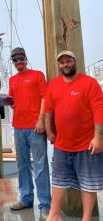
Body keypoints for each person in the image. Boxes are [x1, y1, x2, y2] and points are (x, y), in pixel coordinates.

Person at [45, 50, 103, 221]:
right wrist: (49, 131)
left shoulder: (90, 83)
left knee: (88, 183)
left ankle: (86, 218)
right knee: (58, 181)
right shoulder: (53, 85)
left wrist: (98, 137)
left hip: (87, 143)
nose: (65, 65)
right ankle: (54, 214)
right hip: (62, 144)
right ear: (59, 65)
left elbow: (99, 109)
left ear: (74, 62)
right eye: (62, 63)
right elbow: (48, 111)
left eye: (68, 61)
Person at [8, 47, 51, 221]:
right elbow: (11, 102)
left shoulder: (37, 75)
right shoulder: (12, 80)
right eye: (15, 59)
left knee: (41, 167)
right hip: (18, 128)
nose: (19, 62)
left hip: (35, 128)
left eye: (21, 58)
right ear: (13, 62)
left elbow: (45, 98)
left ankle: (45, 205)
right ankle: (25, 199)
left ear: (26, 58)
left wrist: (40, 121)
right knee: (22, 165)